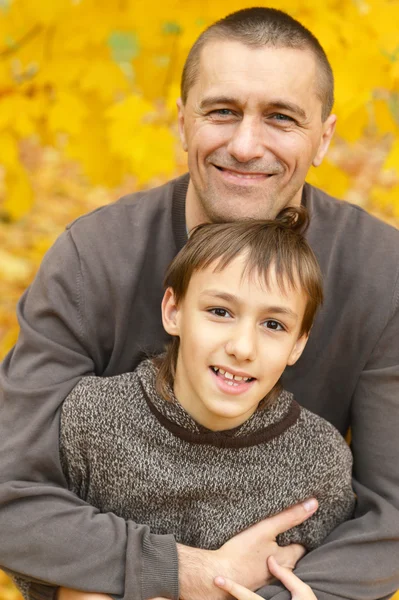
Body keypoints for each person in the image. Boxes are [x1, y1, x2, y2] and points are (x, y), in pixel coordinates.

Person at [0, 5, 398, 600]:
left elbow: (390, 520)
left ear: (323, 138)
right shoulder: (94, 257)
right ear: (182, 121)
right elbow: (9, 491)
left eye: (281, 118)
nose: (244, 144)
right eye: (222, 112)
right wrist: (181, 574)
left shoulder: (382, 275)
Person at [11, 209, 355, 600]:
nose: (242, 348)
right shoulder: (93, 419)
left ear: (298, 344)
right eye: (220, 312)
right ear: (173, 311)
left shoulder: (318, 459)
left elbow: (323, 573)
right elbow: (36, 551)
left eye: (273, 324)